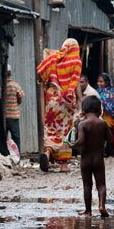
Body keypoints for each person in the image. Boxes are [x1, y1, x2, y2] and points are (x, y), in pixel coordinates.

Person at [37, 38, 82, 173]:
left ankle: (48, 152)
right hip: (66, 102)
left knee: (51, 128)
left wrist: (47, 84)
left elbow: (39, 76)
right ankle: (63, 165)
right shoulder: (76, 62)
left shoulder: (52, 59)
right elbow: (74, 82)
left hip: (52, 98)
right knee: (65, 130)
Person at [70, 96, 113, 217]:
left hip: (85, 160)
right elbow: (110, 139)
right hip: (99, 159)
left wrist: (73, 145)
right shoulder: (103, 123)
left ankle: (88, 211)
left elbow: (81, 140)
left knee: (87, 185)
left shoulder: (82, 124)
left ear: (83, 111)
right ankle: (102, 206)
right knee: (101, 184)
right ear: (100, 110)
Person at [96, 73, 114, 157]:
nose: (99, 83)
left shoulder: (112, 92)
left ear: (106, 82)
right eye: (98, 82)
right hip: (101, 116)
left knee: (109, 133)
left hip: (110, 117)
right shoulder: (96, 92)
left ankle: (110, 150)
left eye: (101, 82)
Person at [5, 66, 24, 153]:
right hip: (14, 116)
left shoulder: (2, 86)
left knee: (3, 138)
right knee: (16, 138)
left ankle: (4, 155)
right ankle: (17, 156)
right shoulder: (16, 85)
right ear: (11, 73)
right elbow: (20, 99)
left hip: (4, 117)